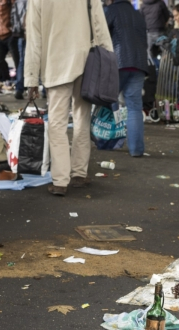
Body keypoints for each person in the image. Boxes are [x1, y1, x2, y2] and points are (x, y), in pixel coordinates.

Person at [25, 0, 113, 196]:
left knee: (57, 123)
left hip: (55, 64)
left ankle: (60, 180)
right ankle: (79, 174)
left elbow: (34, 38)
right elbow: (99, 25)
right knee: (82, 119)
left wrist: (31, 78)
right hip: (86, 63)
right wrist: (109, 60)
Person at [106, 0, 148, 158]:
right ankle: (136, 149)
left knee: (109, 101)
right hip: (139, 63)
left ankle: (111, 142)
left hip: (118, 62)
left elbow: (101, 35)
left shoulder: (110, 11)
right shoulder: (137, 14)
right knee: (135, 108)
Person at [10, 0, 27, 100]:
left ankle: (19, 88)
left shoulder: (17, 2)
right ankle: (44, 90)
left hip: (20, 33)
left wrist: (16, 30)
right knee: (42, 59)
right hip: (32, 32)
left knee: (22, 61)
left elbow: (13, 16)